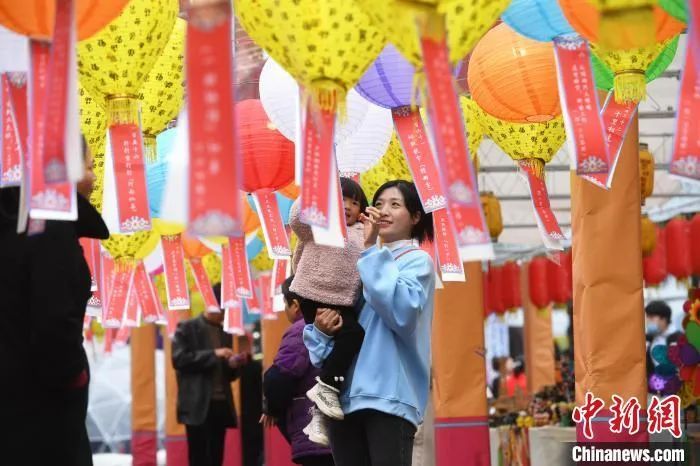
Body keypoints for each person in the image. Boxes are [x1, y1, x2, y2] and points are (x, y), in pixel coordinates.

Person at [304, 180, 435, 466]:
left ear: (415, 217)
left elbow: (401, 311)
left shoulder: (417, 261)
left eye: (395, 204)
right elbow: (323, 350)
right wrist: (322, 333)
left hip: (389, 397)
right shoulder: (357, 259)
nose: (384, 211)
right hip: (343, 399)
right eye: (378, 204)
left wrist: (369, 249)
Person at [0, 137, 108, 466]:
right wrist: (75, 376)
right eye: (89, 166)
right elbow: (53, 323)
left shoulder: (13, 223)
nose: (94, 177)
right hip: (41, 417)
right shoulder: (49, 222)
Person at [288, 177, 368, 441]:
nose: (348, 206)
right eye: (342, 199)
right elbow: (298, 218)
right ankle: (325, 388)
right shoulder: (319, 223)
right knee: (353, 334)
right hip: (312, 294)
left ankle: (320, 413)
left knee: (345, 344)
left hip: (341, 299)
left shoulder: (362, 232)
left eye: (354, 202)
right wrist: (315, 188)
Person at [172, 287, 251, 466]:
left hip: (220, 403)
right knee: (198, 457)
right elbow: (179, 360)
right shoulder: (187, 328)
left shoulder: (225, 332)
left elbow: (228, 375)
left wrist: (233, 365)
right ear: (212, 305)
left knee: (217, 456)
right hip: (196, 404)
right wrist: (214, 354)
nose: (225, 314)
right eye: (224, 308)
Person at [260, 276, 335, 465]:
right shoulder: (338, 321)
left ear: (294, 305)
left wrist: (271, 407)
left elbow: (280, 379)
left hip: (313, 430)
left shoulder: (301, 329)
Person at [645, 300, 682, 374]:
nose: (648, 321)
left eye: (651, 317)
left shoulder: (679, 338)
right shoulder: (649, 339)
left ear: (664, 319)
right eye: (647, 317)